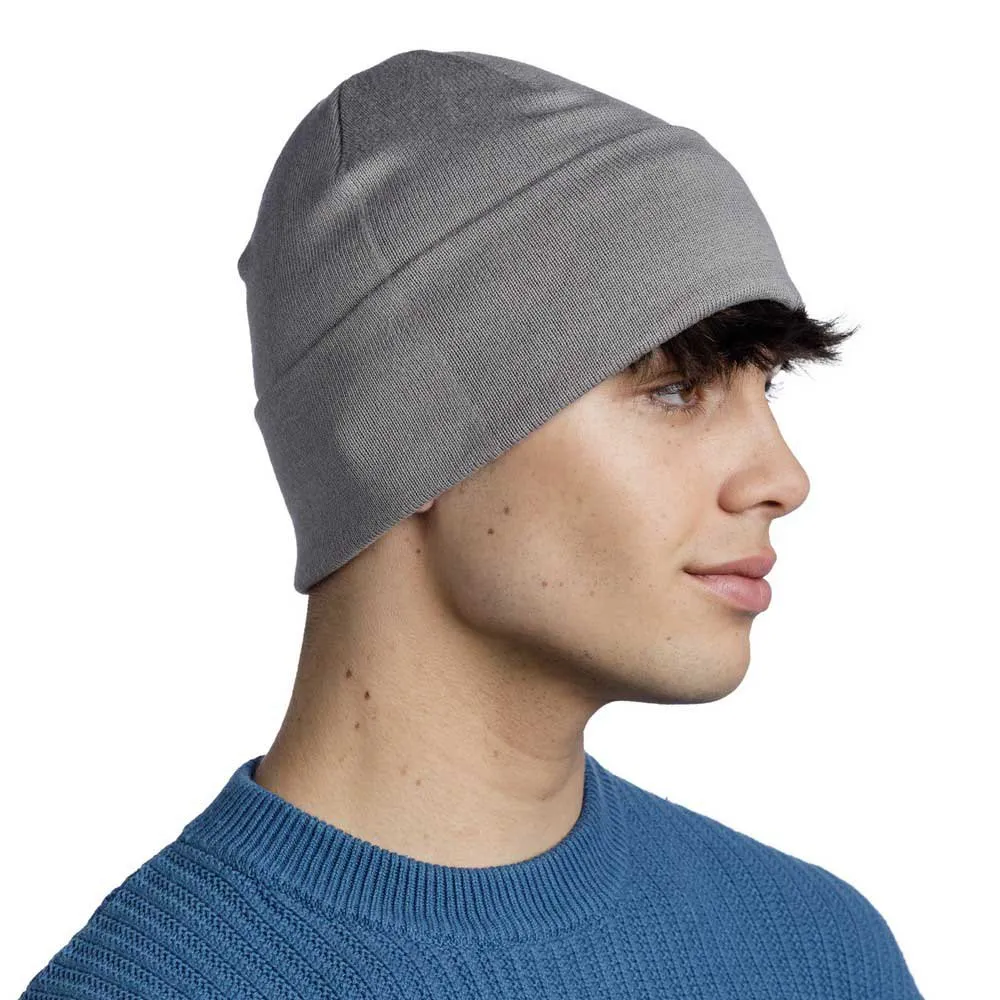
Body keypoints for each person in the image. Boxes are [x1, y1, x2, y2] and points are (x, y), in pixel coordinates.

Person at [20, 48, 923, 998]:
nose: (784, 479)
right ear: (400, 429)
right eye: (676, 389)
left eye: (767, 387)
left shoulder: (821, 953)